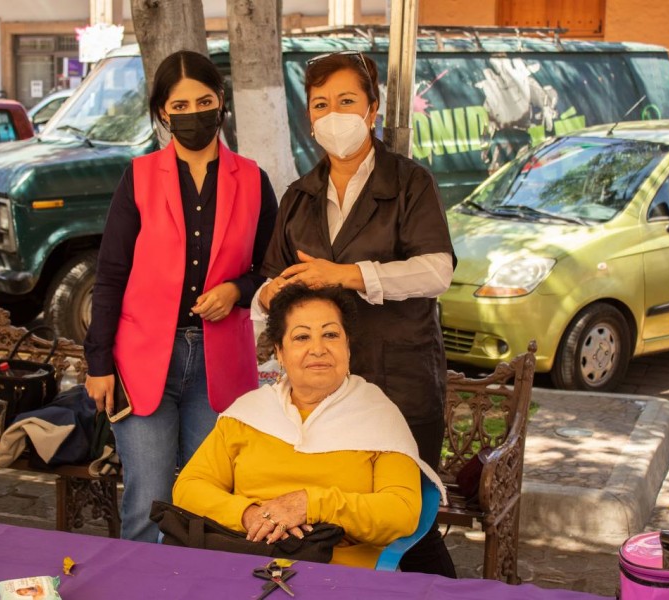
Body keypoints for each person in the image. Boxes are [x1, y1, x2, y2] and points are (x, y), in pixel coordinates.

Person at [255, 50, 457, 576]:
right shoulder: (298, 196)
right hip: (324, 387)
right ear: (310, 120)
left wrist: (346, 274)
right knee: (336, 514)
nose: (334, 113)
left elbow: (437, 270)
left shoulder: (411, 183)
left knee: (407, 517)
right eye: (321, 104)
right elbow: (270, 283)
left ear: (372, 109)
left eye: (347, 100)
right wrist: (268, 294)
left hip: (401, 376)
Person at [84, 50, 278, 543]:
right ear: (163, 112)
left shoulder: (254, 180)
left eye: (205, 101)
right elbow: (110, 273)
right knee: (148, 503)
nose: (194, 113)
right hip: (143, 360)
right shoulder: (140, 176)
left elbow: (274, 269)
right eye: (181, 105)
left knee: (207, 504)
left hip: (219, 365)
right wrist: (98, 362)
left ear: (221, 104)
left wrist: (238, 289)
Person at [173, 284, 445, 568]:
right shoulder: (248, 413)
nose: (318, 349)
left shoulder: (378, 415)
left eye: (330, 334)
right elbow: (189, 488)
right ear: (279, 351)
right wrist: (249, 514)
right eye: (301, 337)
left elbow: (401, 512)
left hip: (338, 574)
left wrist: (310, 505)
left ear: (347, 346)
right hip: (243, 560)